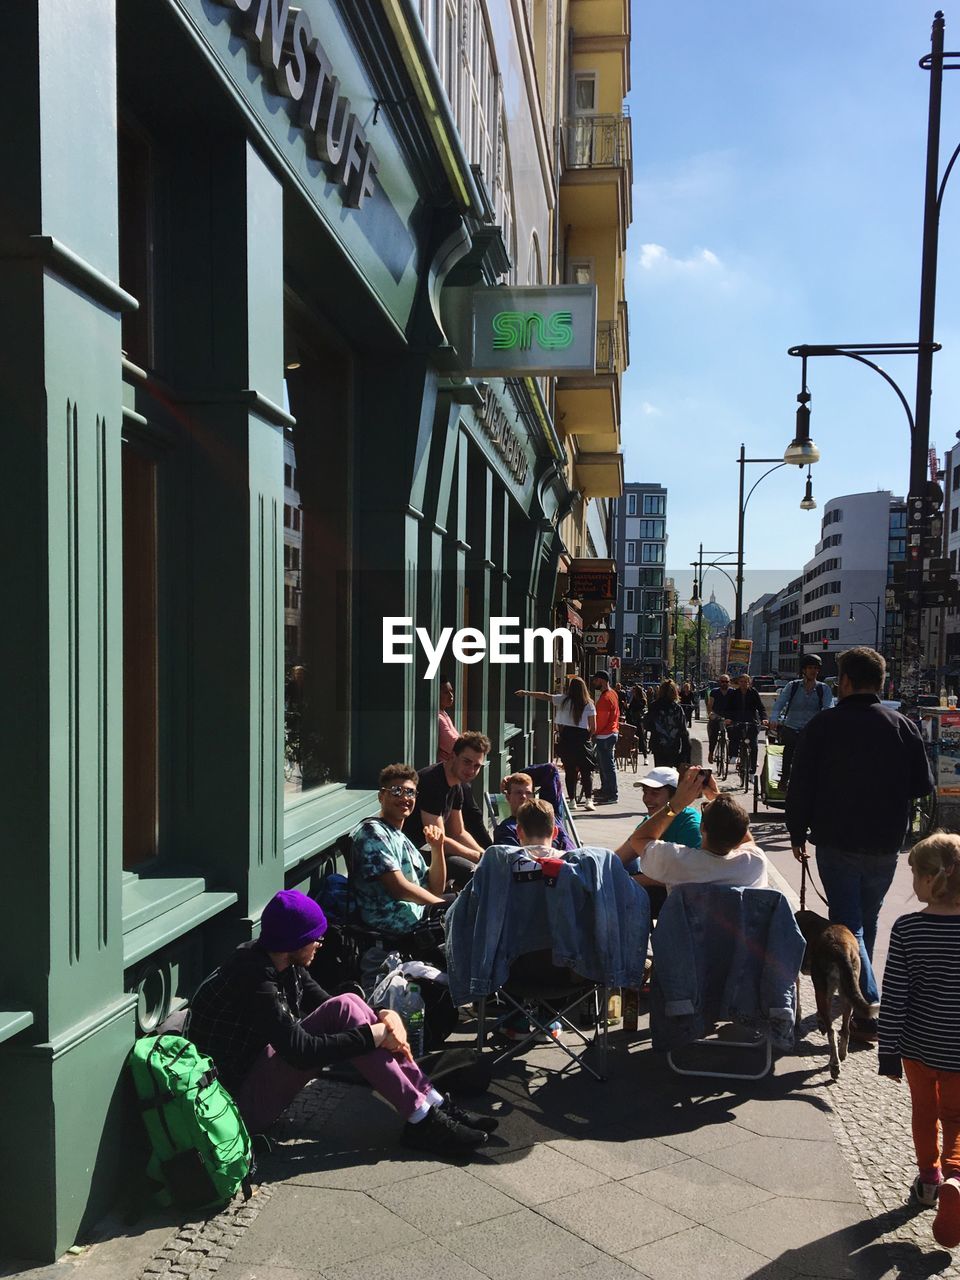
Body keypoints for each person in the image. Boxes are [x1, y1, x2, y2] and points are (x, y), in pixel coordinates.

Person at [189, 890, 494, 1154]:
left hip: (258, 1073)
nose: (319, 943)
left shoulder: (280, 961)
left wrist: (385, 1018)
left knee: (349, 1004)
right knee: (350, 1013)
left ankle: (431, 1104)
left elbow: (332, 1005)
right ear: (292, 942)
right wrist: (374, 1035)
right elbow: (301, 1052)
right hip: (236, 1107)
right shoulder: (254, 978)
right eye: (313, 938)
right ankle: (423, 1118)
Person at [787, 646, 935, 1041]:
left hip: (837, 840)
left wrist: (796, 832)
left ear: (846, 682)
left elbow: (800, 786)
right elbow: (922, 786)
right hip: (886, 843)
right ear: (881, 683)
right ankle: (864, 1004)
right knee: (864, 923)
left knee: (850, 924)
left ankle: (868, 1010)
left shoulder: (823, 725)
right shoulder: (903, 725)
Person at [878, 833, 960, 1246]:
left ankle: (929, 1179)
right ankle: (957, 1177)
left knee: (924, 1112)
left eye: (913, 872)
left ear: (930, 879)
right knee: (958, 1117)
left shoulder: (909, 928)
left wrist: (887, 1050)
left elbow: (894, 995)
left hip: (917, 1047)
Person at [615, 767, 767, 891]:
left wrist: (676, 805)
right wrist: (716, 796)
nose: (647, 798)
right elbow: (744, 836)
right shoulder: (755, 861)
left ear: (702, 828)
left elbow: (639, 839)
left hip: (690, 927)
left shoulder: (680, 862)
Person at [350, 764, 449, 934]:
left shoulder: (400, 836)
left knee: (472, 903)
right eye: (396, 791)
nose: (404, 798)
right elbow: (399, 889)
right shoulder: (372, 833)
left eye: (410, 792)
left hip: (417, 912)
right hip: (393, 921)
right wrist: (443, 908)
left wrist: (437, 847)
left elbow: (436, 889)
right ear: (381, 796)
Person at [405, 732, 493, 887]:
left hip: (429, 850)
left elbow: (457, 832)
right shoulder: (432, 782)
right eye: (467, 762)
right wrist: (479, 857)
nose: (471, 770)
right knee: (470, 870)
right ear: (452, 756)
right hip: (407, 854)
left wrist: (487, 855)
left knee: (483, 867)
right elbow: (440, 841)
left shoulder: (456, 784)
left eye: (477, 766)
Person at [517, 678, 597, 811]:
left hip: (566, 738)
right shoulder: (589, 704)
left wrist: (526, 693)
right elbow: (594, 727)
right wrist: (587, 737)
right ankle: (589, 800)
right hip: (582, 739)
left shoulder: (563, 700)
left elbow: (545, 695)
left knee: (570, 769)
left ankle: (572, 800)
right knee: (586, 770)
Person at [768, 654, 834, 788]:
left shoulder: (823, 689)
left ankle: (814, 780)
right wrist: (774, 718)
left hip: (811, 730)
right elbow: (780, 703)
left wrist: (827, 723)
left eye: (816, 668)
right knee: (788, 752)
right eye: (810, 668)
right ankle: (784, 779)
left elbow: (828, 708)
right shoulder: (793, 686)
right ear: (804, 670)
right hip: (792, 727)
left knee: (815, 756)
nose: (813, 671)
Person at [492, 772, 575, 851]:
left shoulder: (549, 819)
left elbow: (551, 771)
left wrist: (516, 773)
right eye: (518, 793)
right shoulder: (506, 829)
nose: (524, 797)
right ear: (508, 797)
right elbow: (512, 860)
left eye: (528, 793)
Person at [633, 766, 701, 848]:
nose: (646, 799)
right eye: (645, 792)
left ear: (674, 795)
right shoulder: (648, 821)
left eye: (655, 793)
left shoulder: (689, 824)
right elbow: (624, 855)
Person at [724, 673, 764, 776]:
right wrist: (728, 718)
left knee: (754, 746)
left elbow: (760, 707)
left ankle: (752, 770)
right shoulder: (734, 693)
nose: (743, 684)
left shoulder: (753, 693)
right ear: (738, 683)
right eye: (741, 682)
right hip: (738, 720)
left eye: (745, 682)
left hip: (751, 721)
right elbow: (729, 707)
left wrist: (764, 719)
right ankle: (733, 755)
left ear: (749, 683)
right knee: (734, 736)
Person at [591, 669, 621, 804]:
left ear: (602, 680)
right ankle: (605, 790)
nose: (594, 682)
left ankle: (611, 794)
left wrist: (593, 732)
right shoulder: (613, 694)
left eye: (596, 680)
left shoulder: (605, 698)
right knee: (605, 765)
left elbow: (601, 721)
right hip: (612, 732)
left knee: (607, 766)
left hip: (605, 735)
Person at [644, 679, 690, 767]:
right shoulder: (677, 708)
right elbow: (683, 729)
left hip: (658, 744)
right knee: (670, 770)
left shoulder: (654, 706)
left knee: (660, 770)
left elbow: (647, 725)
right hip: (673, 745)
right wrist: (685, 749)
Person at [706, 673, 732, 763]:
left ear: (729, 682)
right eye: (722, 681)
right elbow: (710, 705)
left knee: (734, 733)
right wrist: (711, 714)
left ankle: (732, 754)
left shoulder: (732, 692)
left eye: (726, 681)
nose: (724, 683)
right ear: (719, 682)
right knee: (713, 735)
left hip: (729, 717)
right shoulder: (714, 691)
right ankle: (711, 753)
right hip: (717, 715)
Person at [436, 676, 459, 764]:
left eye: (451, 691)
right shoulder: (439, 717)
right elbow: (452, 743)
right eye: (446, 692)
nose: (451, 695)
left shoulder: (444, 713)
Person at [624, 684, 648, 758]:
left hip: (638, 721)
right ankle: (634, 756)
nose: (633, 693)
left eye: (634, 691)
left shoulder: (642, 700)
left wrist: (630, 708)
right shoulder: (633, 699)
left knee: (641, 737)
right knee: (632, 738)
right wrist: (626, 707)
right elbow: (630, 710)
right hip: (632, 720)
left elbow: (638, 708)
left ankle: (645, 756)